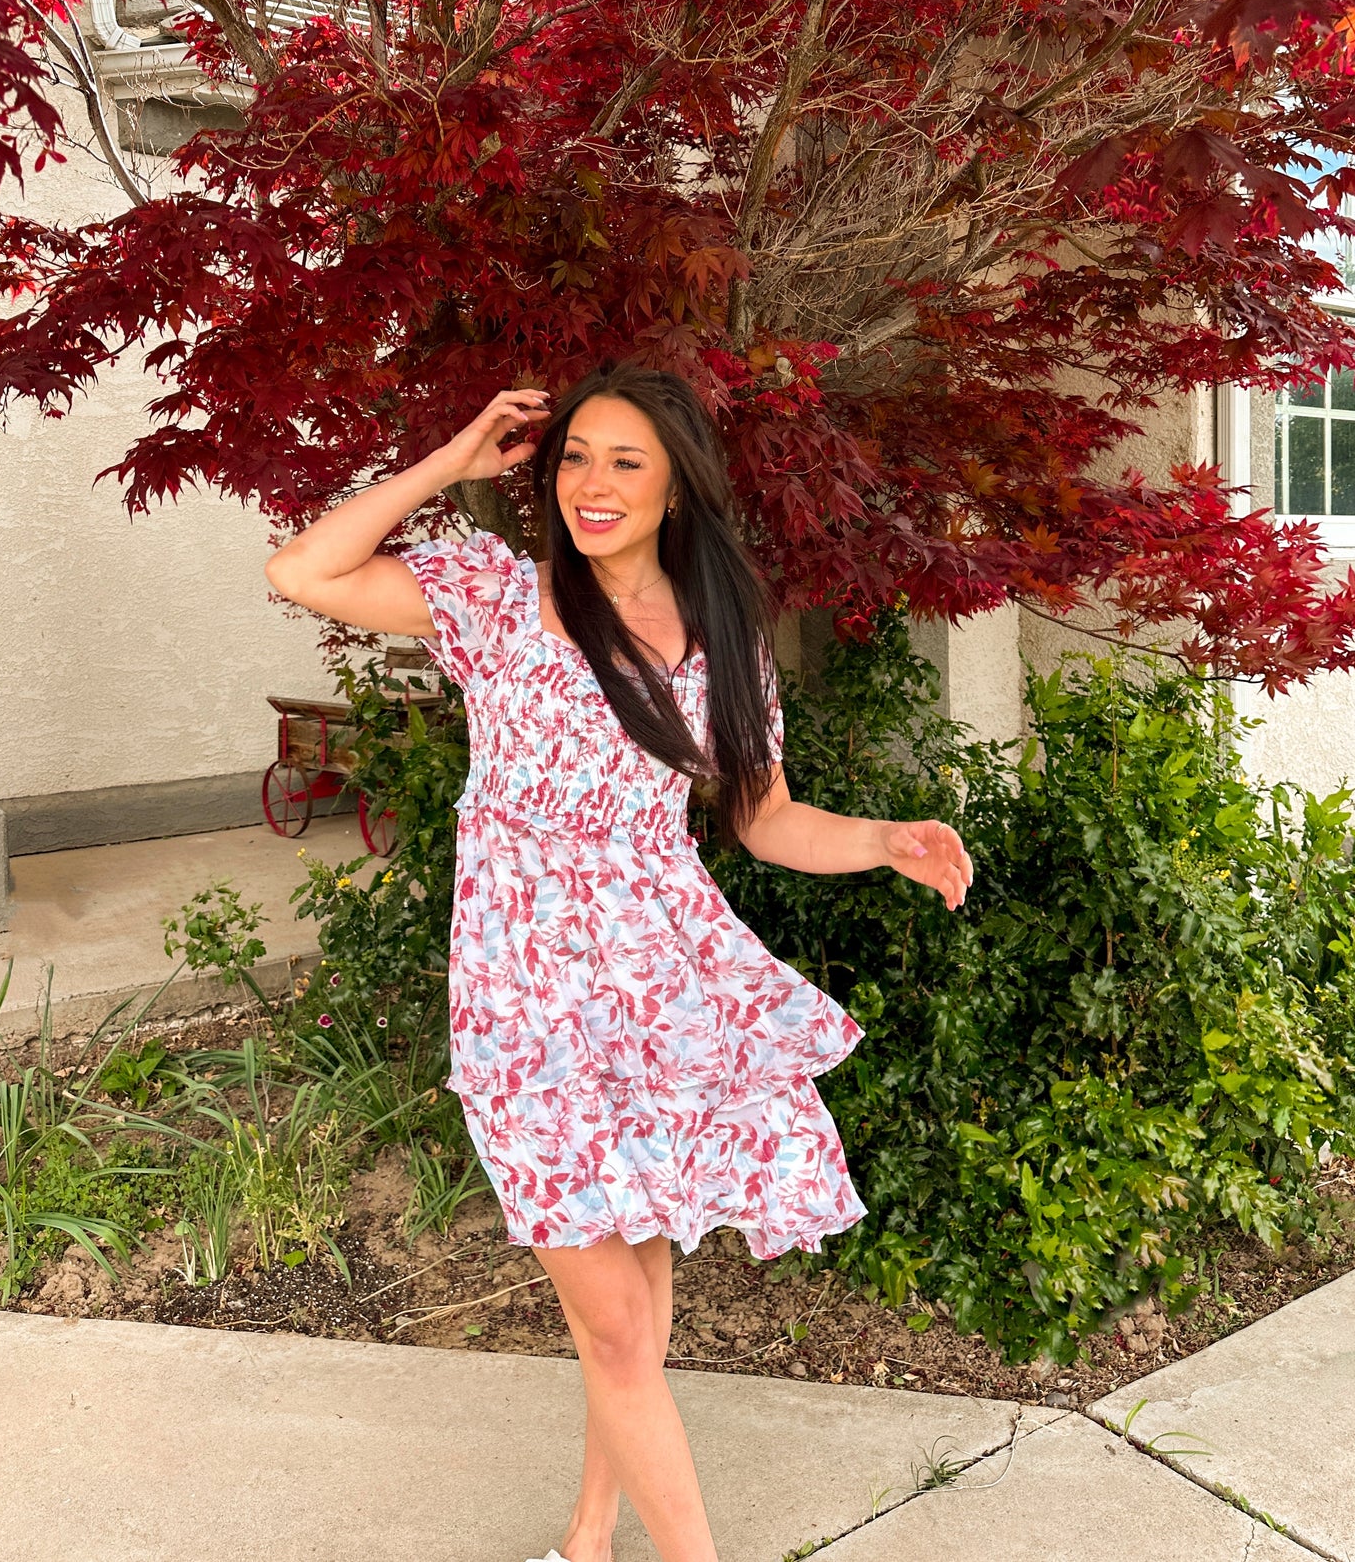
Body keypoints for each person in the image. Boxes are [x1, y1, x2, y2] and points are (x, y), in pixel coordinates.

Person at [266, 362, 972, 1562]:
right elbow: (302, 571)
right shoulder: (495, 596)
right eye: (574, 457)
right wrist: (450, 461)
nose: (589, 484)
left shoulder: (721, 647)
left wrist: (883, 842)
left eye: (622, 461)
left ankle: (589, 1539)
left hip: (659, 996)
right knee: (611, 1326)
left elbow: (762, 820)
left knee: (631, 1324)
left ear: (676, 491)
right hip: (522, 1002)